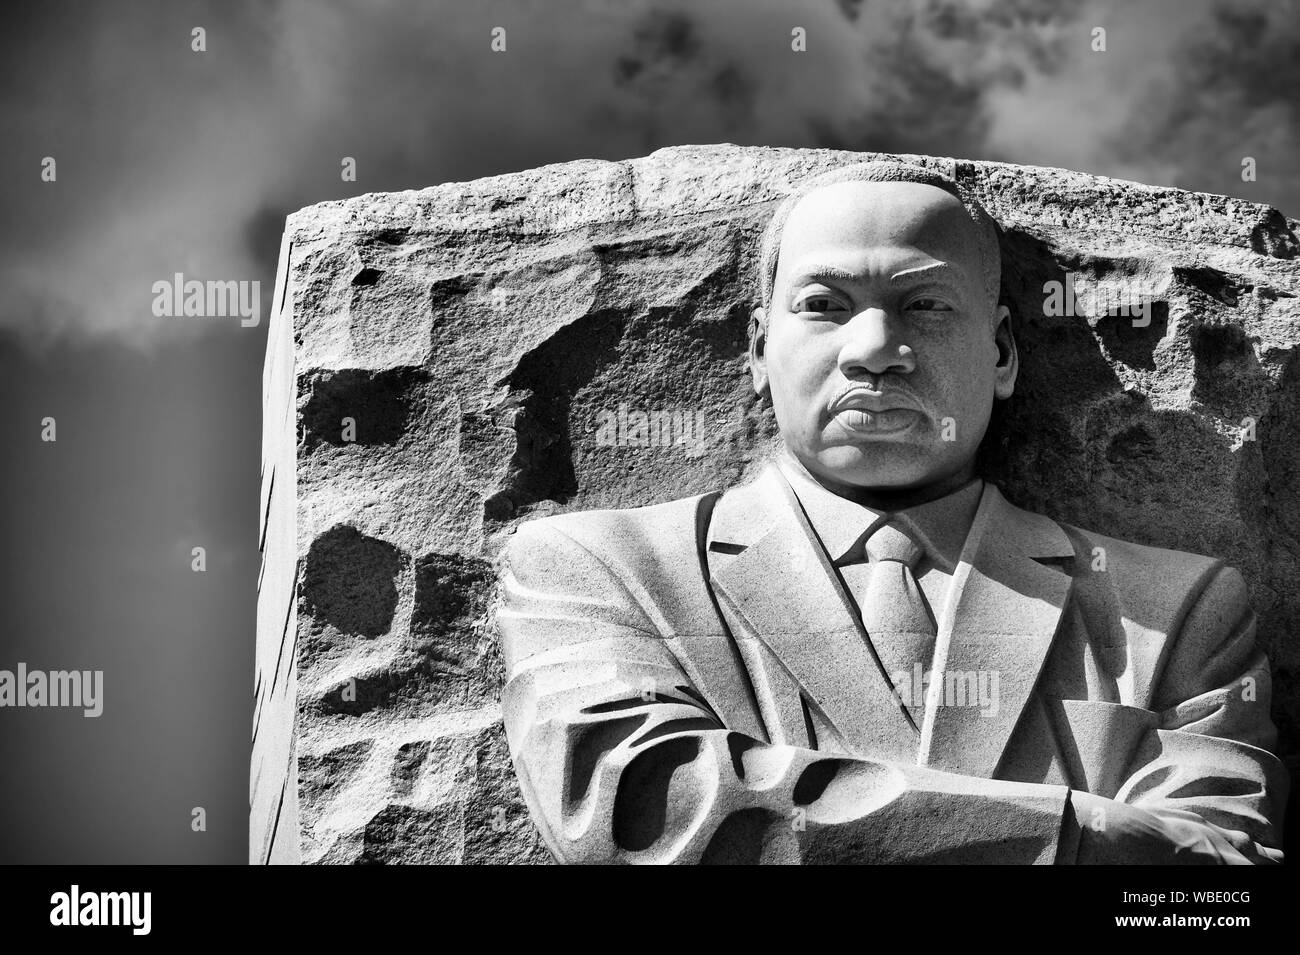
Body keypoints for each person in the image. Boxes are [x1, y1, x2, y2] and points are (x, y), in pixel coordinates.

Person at [496, 161, 1287, 864]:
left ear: (1003, 353)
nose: (873, 348)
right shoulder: (601, 569)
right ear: (758, 352)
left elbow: (1216, 885)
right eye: (823, 303)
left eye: (925, 304)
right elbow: (650, 806)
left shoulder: (1176, 609)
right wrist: (1075, 834)